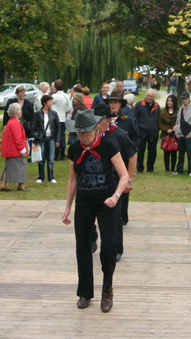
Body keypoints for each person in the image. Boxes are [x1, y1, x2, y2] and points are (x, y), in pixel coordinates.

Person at [62, 110, 129, 312]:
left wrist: (115, 196)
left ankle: (107, 290)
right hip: (84, 202)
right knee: (82, 247)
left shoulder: (109, 146)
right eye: (79, 133)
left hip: (106, 202)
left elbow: (124, 176)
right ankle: (85, 292)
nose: (83, 137)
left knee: (108, 247)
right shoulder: (74, 149)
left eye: (87, 133)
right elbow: (73, 179)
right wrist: (67, 207)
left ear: (95, 129)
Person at [94, 103, 137, 261]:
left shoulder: (118, 134)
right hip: (95, 180)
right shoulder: (91, 134)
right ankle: (92, 238)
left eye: (101, 121)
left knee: (115, 216)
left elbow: (132, 155)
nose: (99, 125)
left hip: (115, 180)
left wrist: (129, 180)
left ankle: (117, 248)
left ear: (109, 120)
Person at [107, 91, 139, 225]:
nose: (113, 105)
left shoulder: (128, 121)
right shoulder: (104, 121)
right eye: (111, 102)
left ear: (120, 105)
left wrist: (128, 147)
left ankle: (122, 218)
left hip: (124, 160)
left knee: (123, 189)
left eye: (115, 102)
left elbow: (137, 138)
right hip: (108, 163)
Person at [0, 103, 29, 192]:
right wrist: (22, 149)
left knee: (8, 167)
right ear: (17, 113)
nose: (21, 111)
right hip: (14, 150)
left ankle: (3, 185)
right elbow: (17, 138)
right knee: (21, 166)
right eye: (20, 110)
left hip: (10, 149)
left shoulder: (11, 121)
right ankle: (21, 185)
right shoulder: (15, 123)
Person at [32, 95, 61, 184]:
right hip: (41, 138)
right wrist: (36, 136)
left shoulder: (54, 113)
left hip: (51, 138)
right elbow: (33, 127)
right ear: (45, 103)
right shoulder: (37, 113)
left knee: (51, 158)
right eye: (50, 101)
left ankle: (51, 176)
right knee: (41, 158)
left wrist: (58, 140)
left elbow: (58, 127)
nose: (51, 103)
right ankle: (41, 176)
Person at [133, 88, 160, 173]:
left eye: (151, 96)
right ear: (146, 95)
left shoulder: (157, 106)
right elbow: (134, 118)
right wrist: (137, 129)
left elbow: (159, 119)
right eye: (148, 95)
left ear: (154, 97)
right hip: (142, 132)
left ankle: (150, 168)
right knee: (141, 151)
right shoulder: (139, 105)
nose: (149, 97)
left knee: (152, 151)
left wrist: (157, 128)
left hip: (153, 132)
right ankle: (140, 168)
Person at [174, 92, 191, 177]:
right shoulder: (181, 109)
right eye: (182, 99)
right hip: (181, 134)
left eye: (185, 99)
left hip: (189, 135)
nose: (184, 100)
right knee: (180, 154)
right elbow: (177, 121)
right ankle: (179, 169)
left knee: (190, 154)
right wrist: (177, 132)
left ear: (188, 99)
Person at [51, 80, 73, 160]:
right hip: (63, 118)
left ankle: (56, 155)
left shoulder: (54, 96)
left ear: (55, 87)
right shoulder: (66, 96)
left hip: (56, 119)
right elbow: (70, 108)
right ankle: (62, 155)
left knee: (56, 137)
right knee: (62, 136)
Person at [159, 94, 178, 174]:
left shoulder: (178, 111)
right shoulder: (163, 111)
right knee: (166, 152)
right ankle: (167, 169)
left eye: (171, 101)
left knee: (174, 152)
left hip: (175, 135)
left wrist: (176, 128)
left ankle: (173, 169)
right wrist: (166, 130)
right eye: (168, 101)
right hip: (165, 135)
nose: (169, 102)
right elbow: (160, 123)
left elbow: (180, 121)